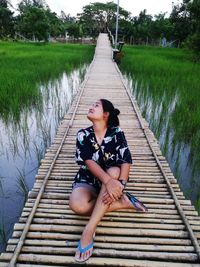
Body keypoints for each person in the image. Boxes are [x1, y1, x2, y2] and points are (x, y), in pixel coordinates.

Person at [69, 99, 147, 262]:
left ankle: (89, 230)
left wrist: (121, 185)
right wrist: (108, 183)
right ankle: (123, 203)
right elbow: (88, 161)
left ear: (106, 114)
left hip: (113, 177)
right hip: (88, 179)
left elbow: (125, 160)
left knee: (114, 171)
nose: (91, 107)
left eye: (96, 105)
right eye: (91, 105)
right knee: (77, 205)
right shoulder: (83, 134)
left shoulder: (117, 133)